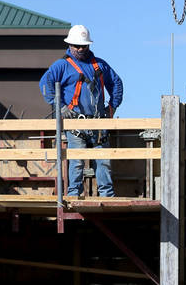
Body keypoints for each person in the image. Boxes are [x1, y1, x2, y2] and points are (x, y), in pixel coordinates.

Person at [38, 24, 124, 197]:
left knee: (103, 160)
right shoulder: (61, 66)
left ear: (88, 45)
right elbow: (45, 85)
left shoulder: (99, 65)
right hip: (76, 122)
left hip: (98, 122)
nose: (80, 49)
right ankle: (73, 194)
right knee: (76, 161)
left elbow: (116, 84)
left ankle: (106, 195)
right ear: (70, 45)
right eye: (76, 45)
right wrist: (60, 107)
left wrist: (112, 106)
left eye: (83, 46)